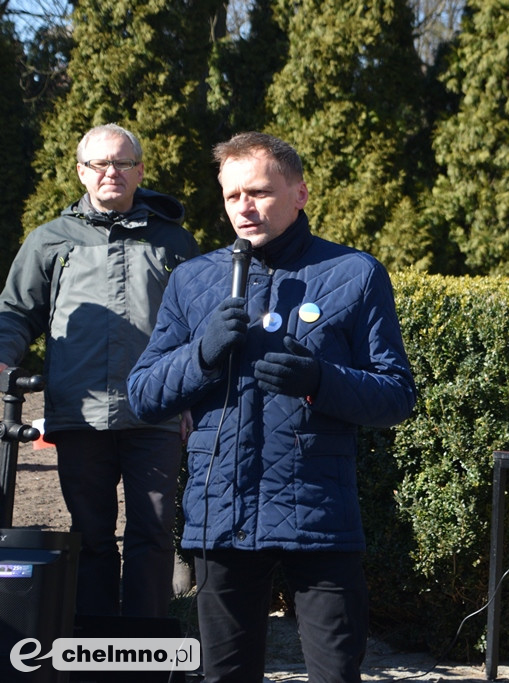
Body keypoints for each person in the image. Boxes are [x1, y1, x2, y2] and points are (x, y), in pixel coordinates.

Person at [127, 131, 415, 682]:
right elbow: (143, 394)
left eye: (258, 192)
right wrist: (202, 354)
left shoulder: (354, 274)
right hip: (221, 516)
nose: (244, 207)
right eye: (232, 196)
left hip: (319, 515)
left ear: (300, 193)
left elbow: (397, 395)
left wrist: (320, 379)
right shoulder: (193, 280)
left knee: (336, 673)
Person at [0, 123, 200, 618]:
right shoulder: (49, 242)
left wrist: (190, 401)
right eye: (99, 164)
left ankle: (145, 651)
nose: (111, 172)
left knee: (152, 534)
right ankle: (93, 645)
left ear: (140, 171)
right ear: (81, 173)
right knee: (89, 535)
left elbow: (200, 330)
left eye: (122, 162)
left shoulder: (174, 242)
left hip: (155, 412)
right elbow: (16, 313)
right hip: (79, 414)